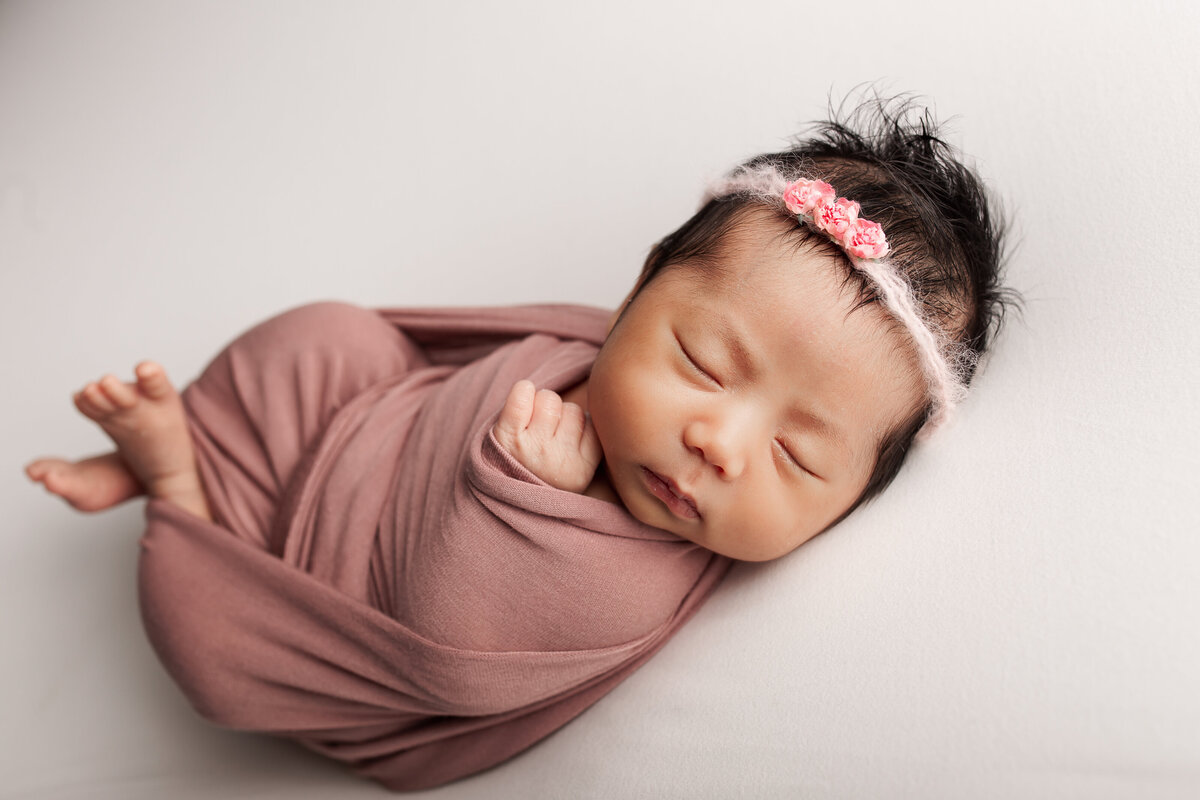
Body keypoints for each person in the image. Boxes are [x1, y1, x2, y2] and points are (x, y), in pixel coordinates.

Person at [24, 94, 1014, 790]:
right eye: (703, 362)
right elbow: (433, 369)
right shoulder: (583, 343)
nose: (718, 439)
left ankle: (172, 486)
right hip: (341, 451)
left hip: (323, 617)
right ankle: (190, 434)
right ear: (636, 293)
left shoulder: (635, 574)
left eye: (798, 456)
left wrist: (523, 498)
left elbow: (449, 653)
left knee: (203, 652)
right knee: (329, 334)